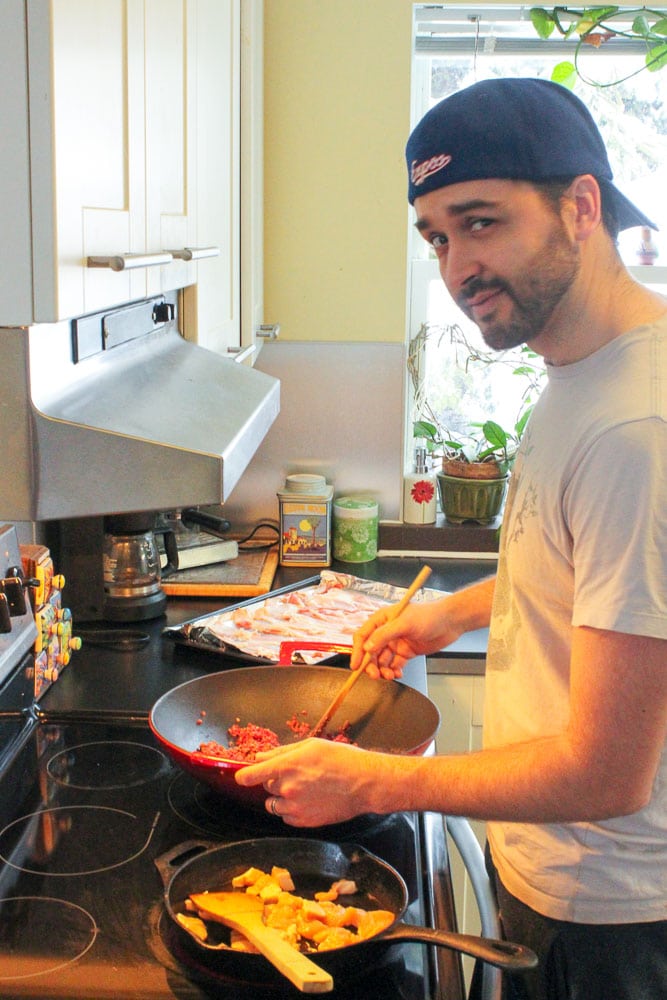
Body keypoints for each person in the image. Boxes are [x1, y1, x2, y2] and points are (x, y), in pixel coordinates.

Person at [237, 78, 667, 999]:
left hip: (610, 909)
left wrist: (369, 781)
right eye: (435, 236)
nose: (456, 265)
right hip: (565, 875)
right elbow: (570, 571)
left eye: (480, 221)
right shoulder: (583, 371)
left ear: (579, 206)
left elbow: (608, 773)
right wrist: (445, 615)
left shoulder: (638, 429)